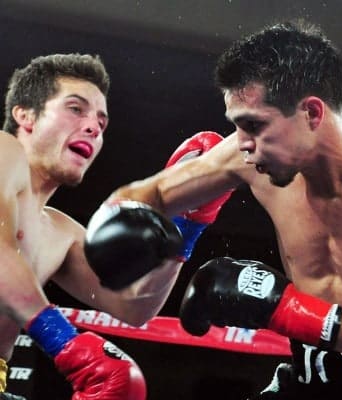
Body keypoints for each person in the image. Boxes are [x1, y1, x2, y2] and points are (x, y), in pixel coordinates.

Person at [109, 20, 342, 399]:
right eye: (238, 126)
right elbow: (142, 197)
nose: (241, 144)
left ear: (311, 113)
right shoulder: (246, 155)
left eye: (254, 125)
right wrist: (175, 229)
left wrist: (278, 306)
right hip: (313, 378)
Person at [0, 53, 232, 399]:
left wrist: (187, 224)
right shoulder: (4, 149)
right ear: (25, 115)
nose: (93, 127)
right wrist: (65, 343)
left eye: (101, 122)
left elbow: (133, 306)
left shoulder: (60, 232)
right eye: (75, 109)